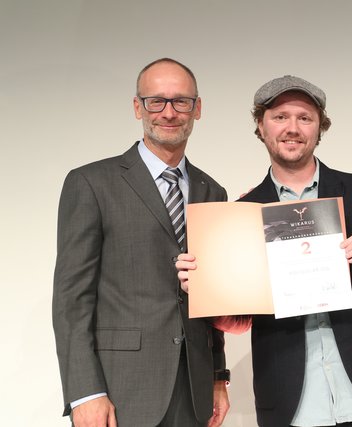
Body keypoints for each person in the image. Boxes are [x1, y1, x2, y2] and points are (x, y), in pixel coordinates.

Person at [177, 75, 352, 427]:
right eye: (280, 117)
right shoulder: (243, 212)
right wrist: (205, 288)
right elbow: (239, 320)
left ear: (320, 128)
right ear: (261, 125)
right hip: (291, 403)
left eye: (305, 118)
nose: (293, 128)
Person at [52, 58, 230, 427]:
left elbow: (212, 296)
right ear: (138, 107)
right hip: (121, 390)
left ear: (198, 108)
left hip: (194, 390)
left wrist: (217, 376)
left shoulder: (212, 190)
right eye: (156, 101)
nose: (169, 112)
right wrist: (85, 392)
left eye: (181, 101)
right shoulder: (91, 183)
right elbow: (72, 299)